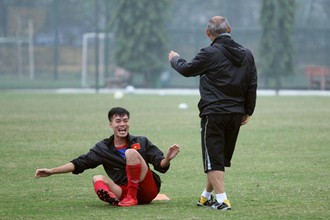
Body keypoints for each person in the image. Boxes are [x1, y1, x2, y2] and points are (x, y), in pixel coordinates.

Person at [168, 16, 257, 211]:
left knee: (213, 158)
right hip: (236, 113)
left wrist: (174, 58)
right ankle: (205, 197)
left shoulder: (209, 53)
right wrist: (248, 110)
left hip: (214, 113)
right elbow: (252, 84)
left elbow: (186, 69)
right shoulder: (247, 54)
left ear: (208, 33)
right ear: (230, 29)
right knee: (218, 157)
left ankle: (222, 200)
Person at [35, 107, 180, 207]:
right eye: (118, 121)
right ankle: (112, 198)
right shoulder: (102, 148)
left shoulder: (141, 141)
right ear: (110, 124)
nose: (122, 124)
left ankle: (131, 197)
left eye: (125, 120)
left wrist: (167, 158)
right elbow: (80, 163)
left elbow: (160, 166)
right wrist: (52, 171)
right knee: (97, 178)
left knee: (131, 153)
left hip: (148, 190)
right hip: (122, 191)